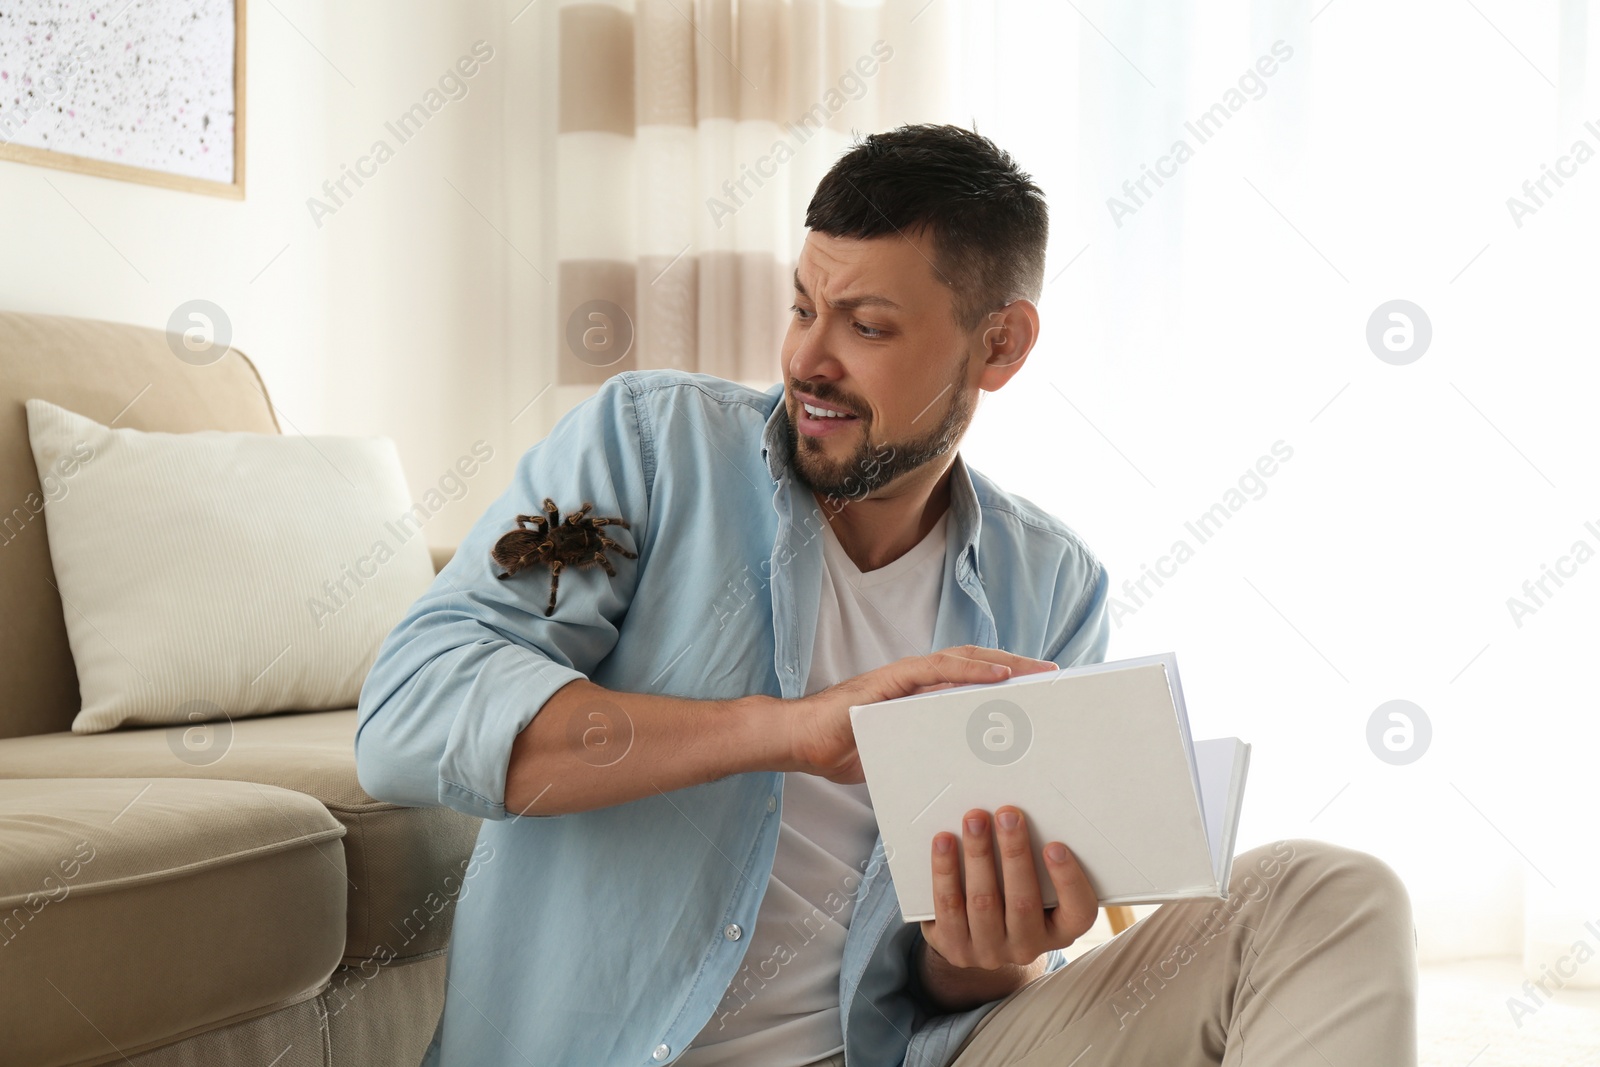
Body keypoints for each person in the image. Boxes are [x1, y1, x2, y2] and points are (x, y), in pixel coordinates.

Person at [355, 123, 1418, 1067]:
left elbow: (950, 990)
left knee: (1329, 895)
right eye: (803, 306)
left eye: (865, 325)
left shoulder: (1048, 581)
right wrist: (793, 730)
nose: (806, 360)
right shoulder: (645, 447)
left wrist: (981, 950)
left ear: (997, 345)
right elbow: (414, 711)